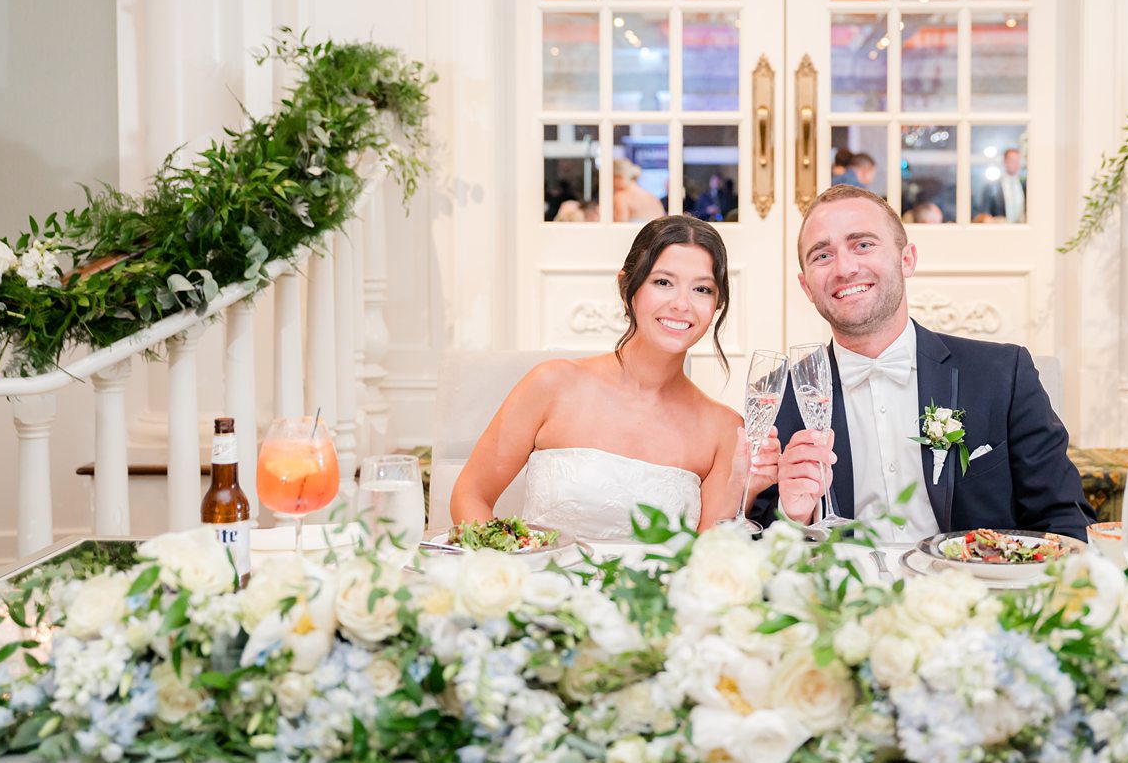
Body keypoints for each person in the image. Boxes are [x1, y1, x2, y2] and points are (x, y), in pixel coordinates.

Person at [751, 185, 1093, 541]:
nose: (845, 268)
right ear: (807, 287)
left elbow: (1065, 521)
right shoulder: (778, 399)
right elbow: (755, 549)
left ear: (907, 259)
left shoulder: (1003, 374)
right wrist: (796, 519)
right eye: (822, 255)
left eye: (863, 245)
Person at [451, 217, 779, 537]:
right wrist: (502, 576)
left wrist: (742, 489)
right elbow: (471, 495)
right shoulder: (552, 385)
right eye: (663, 282)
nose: (682, 304)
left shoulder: (724, 431)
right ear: (627, 287)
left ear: (717, 304)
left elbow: (707, 559)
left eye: (702, 289)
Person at [977, 147, 1027, 223]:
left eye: (1017, 161)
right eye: (1012, 161)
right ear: (1005, 161)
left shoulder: (1025, 186)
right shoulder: (992, 187)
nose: (1015, 164)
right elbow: (985, 213)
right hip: (1001, 230)